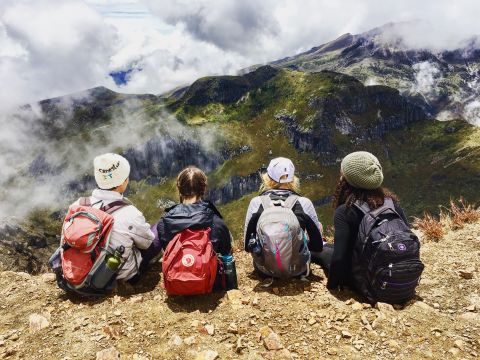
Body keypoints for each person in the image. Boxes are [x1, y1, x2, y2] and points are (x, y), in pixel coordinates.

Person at [316, 151, 410, 290]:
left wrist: (332, 287)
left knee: (320, 250)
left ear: (348, 179)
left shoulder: (345, 211)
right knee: (329, 247)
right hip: (400, 275)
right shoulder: (391, 204)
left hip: (367, 278)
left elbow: (339, 258)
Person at [76, 153, 155, 282]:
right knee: (157, 230)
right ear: (122, 182)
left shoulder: (78, 205)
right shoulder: (130, 213)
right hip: (116, 275)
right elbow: (147, 244)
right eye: (126, 177)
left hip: (80, 271)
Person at [244, 157, 324, 277]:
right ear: (293, 179)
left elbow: (247, 245)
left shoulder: (257, 202)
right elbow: (318, 246)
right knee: (318, 227)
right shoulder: (304, 203)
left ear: (267, 178)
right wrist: (303, 241)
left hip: (264, 270)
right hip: (298, 270)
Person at [156, 166, 232, 258]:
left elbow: (167, 249)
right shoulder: (217, 222)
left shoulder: (163, 223)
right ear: (203, 189)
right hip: (208, 271)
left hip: (177, 271)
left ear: (179, 189)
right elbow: (226, 252)